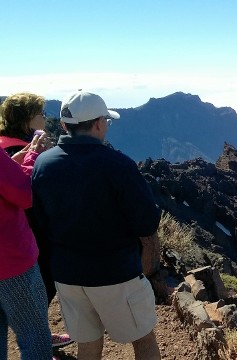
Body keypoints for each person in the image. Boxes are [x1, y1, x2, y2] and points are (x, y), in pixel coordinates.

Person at [30, 90, 162, 360]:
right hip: (116, 274)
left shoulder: (43, 164)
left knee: (87, 346)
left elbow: (39, 222)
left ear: (65, 125)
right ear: (99, 124)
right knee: (143, 340)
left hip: (67, 276)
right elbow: (146, 222)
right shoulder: (119, 166)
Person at [0, 92, 73, 350]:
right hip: (15, 250)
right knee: (32, 332)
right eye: (39, 113)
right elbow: (24, 192)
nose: (44, 117)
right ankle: (43, 343)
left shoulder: (6, 147)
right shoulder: (10, 148)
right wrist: (34, 157)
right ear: (26, 120)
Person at [0, 129, 52, 359]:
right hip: (11, 262)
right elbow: (24, 194)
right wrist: (33, 155)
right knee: (34, 338)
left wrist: (11, 164)